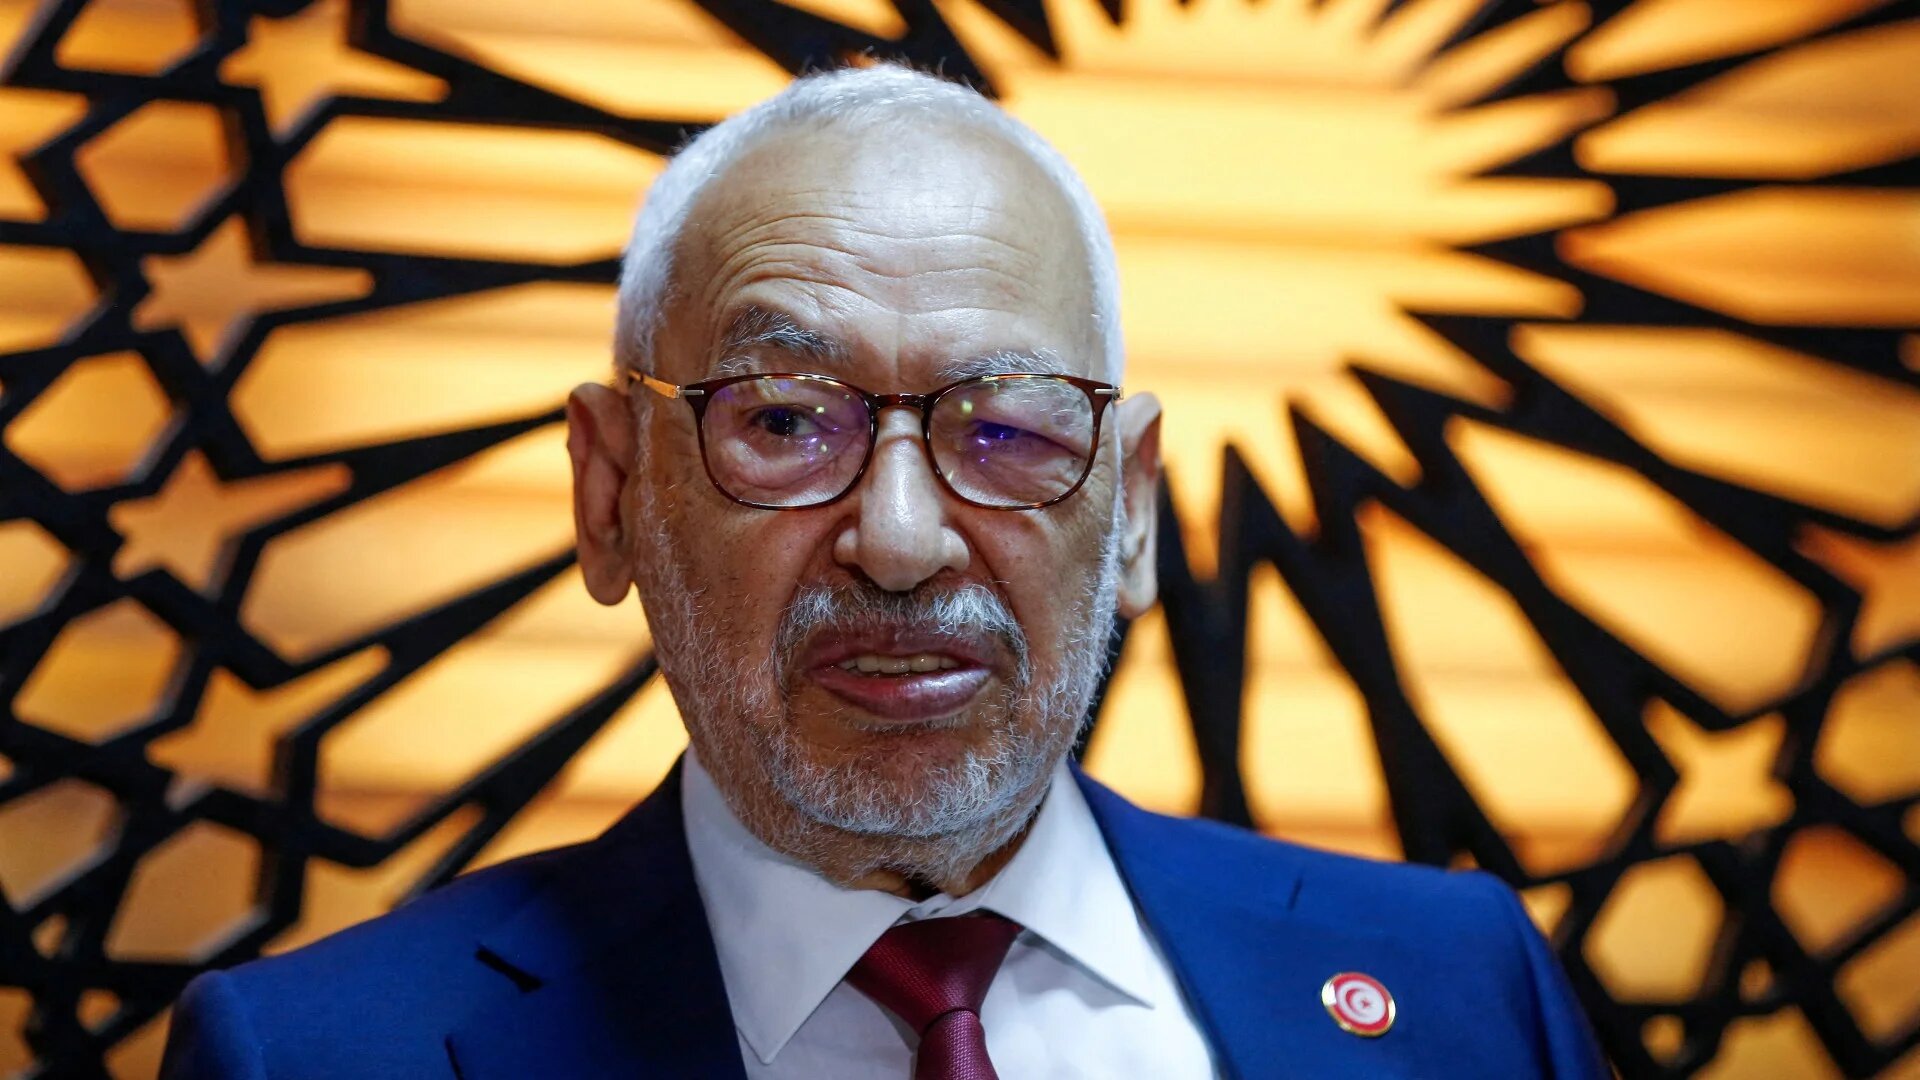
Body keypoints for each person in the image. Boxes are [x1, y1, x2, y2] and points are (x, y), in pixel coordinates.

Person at [160, 63, 1607, 1079]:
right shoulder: (314, 1055)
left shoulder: (1461, 991)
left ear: (1133, 511)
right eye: (785, 423)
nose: (901, 539)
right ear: (612, 495)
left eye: (1008, 427)